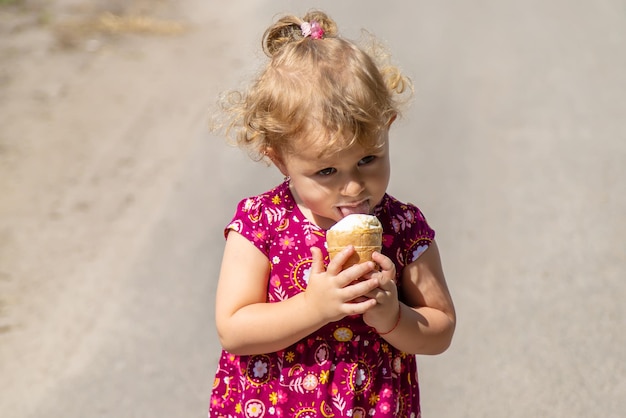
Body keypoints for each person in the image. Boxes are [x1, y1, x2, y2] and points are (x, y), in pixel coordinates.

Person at [209, 10, 456, 418]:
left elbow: (440, 329)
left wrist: (393, 317)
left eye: (369, 159)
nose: (354, 186)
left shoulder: (402, 227)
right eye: (326, 171)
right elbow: (233, 329)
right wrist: (315, 307)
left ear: (387, 128)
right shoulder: (261, 223)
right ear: (280, 160)